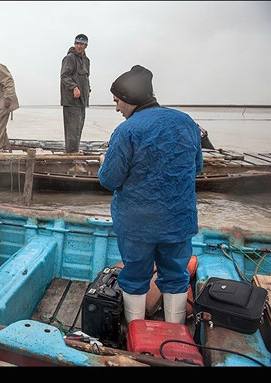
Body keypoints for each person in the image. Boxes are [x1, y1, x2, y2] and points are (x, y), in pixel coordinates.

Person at [98, 65, 203, 325]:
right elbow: (197, 167)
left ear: (130, 99)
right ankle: (175, 331)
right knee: (177, 275)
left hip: (138, 225)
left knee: (134, 275)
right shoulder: (187, 122)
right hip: (178, 221)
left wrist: (103, 161)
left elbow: (110, 179)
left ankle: (136, 329)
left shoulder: (127, 130)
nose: (116, 108)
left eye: (117, 101)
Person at [60, 34, 91, 153]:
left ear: (86, 45)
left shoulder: (86, 60)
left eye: (81, 44)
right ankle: (71, 157)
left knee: (78, 129)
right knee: (72, 131)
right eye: (77, 43)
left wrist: (88, 89)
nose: (78, 46)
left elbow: (86, 77)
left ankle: (74, 152)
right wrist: (74, 87)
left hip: (82, 101)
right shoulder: (69, 58)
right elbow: (64, 76)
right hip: (71, 101)